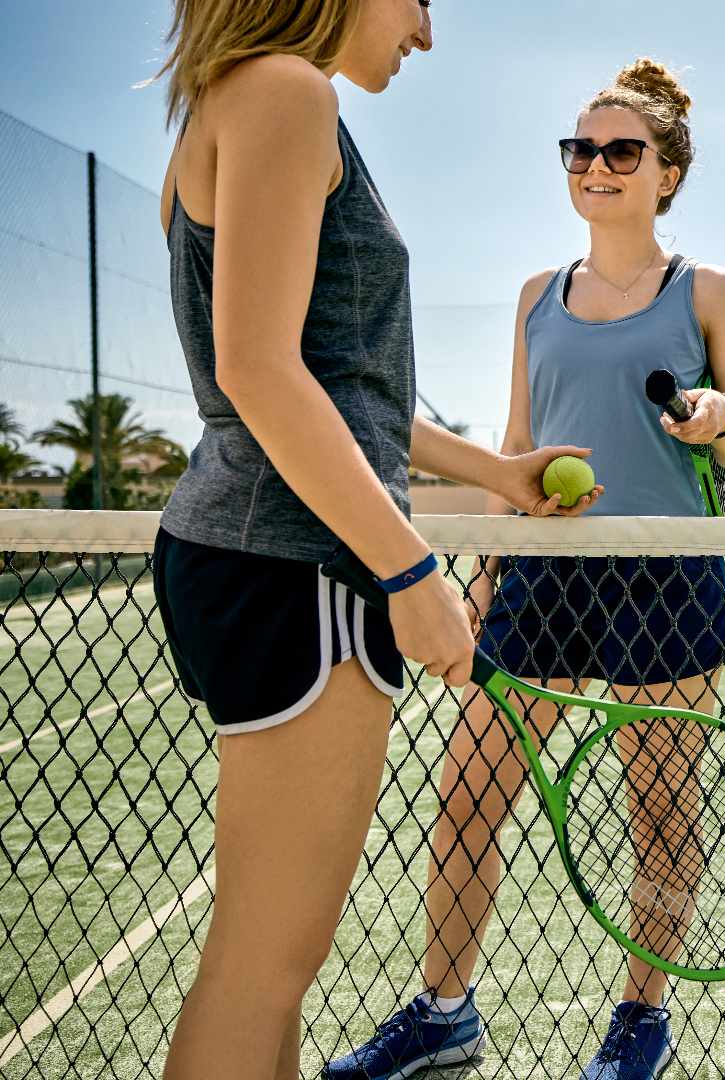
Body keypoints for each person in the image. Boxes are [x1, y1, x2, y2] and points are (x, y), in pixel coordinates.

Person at [150, 4, 598, 1078]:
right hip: (298, 563)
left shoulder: (245, 96)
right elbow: (258, 370)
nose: (426, 32)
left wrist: (493, 472)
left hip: (260, 552)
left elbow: (339, 384)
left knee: (272, 961)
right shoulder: (285, 92)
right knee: (264, 960)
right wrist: (405, 566)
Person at [326, 58, 725, 1080]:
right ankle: (443, 1011)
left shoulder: (711, 292)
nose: (597, 166)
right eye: (581, 150)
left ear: (666, 173)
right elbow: (518, 447)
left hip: (665, 571)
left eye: (622, 151)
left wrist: (717, 419)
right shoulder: (535, 296)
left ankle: (638, 1023)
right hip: (538, 576)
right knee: (468, 791)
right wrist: (482, 576)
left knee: (658, 807)